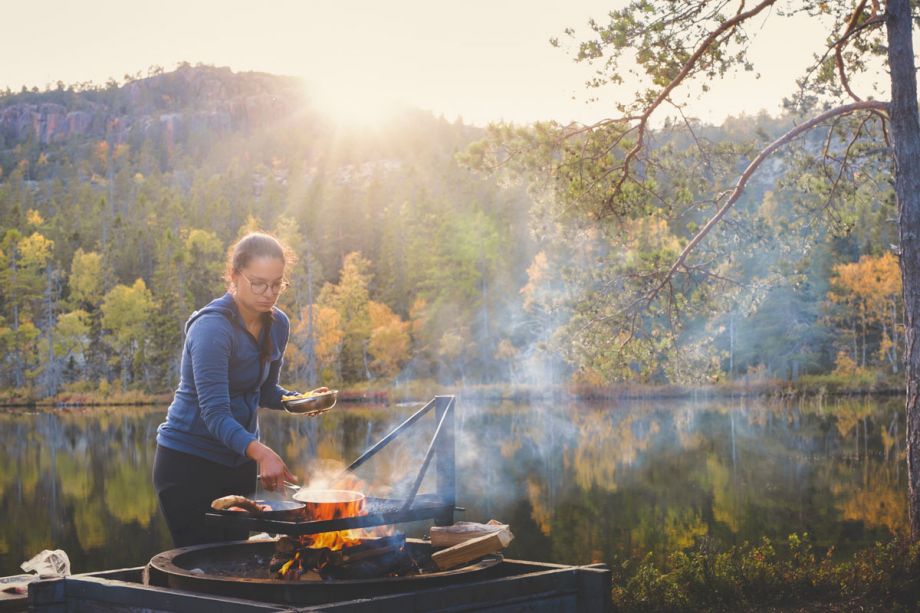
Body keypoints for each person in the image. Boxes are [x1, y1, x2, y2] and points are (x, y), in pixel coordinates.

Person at [153, 231, 322, 547]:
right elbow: (215, 414)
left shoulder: (278, 324)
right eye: (258, 283)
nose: (268, 293)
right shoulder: (211, 329)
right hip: (189, 464)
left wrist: (299, 400)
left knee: (234, 563)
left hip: (237, 463)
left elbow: (266, 389)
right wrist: (263, 453)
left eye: (277, 284)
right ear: (234, 275)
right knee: (200, 568)